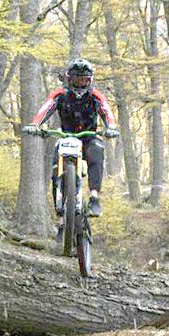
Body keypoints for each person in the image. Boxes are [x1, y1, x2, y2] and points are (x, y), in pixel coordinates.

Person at [22, 58, 119, 217]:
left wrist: (111, 128)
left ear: (89, 81)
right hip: (66, 136)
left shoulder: (95, 95)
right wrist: (35, 125)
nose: (80, 84)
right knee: (55, 168)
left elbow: (106, 111)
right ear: (69, 79)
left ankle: (94, 198)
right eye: (76, 79)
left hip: (88, 136)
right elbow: (46, 108)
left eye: (84, 80)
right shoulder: (60, 94)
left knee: (97, 151)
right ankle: (61, 216)